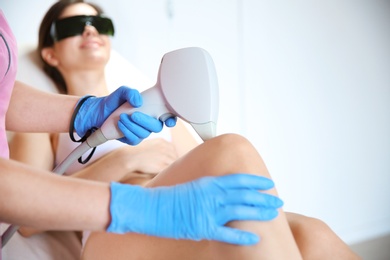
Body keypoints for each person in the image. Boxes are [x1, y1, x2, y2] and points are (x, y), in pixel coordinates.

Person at [5, 1, 361, 259]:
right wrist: (126, 161)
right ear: (50, 54)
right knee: (232, 148)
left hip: (192, 211)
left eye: (101, 24)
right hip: (114, 236)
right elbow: (27, 223)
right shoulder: (43, 125)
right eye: (73, 26)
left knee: (312, 235)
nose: (90, 30)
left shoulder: (153, 104)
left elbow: (204, 160)